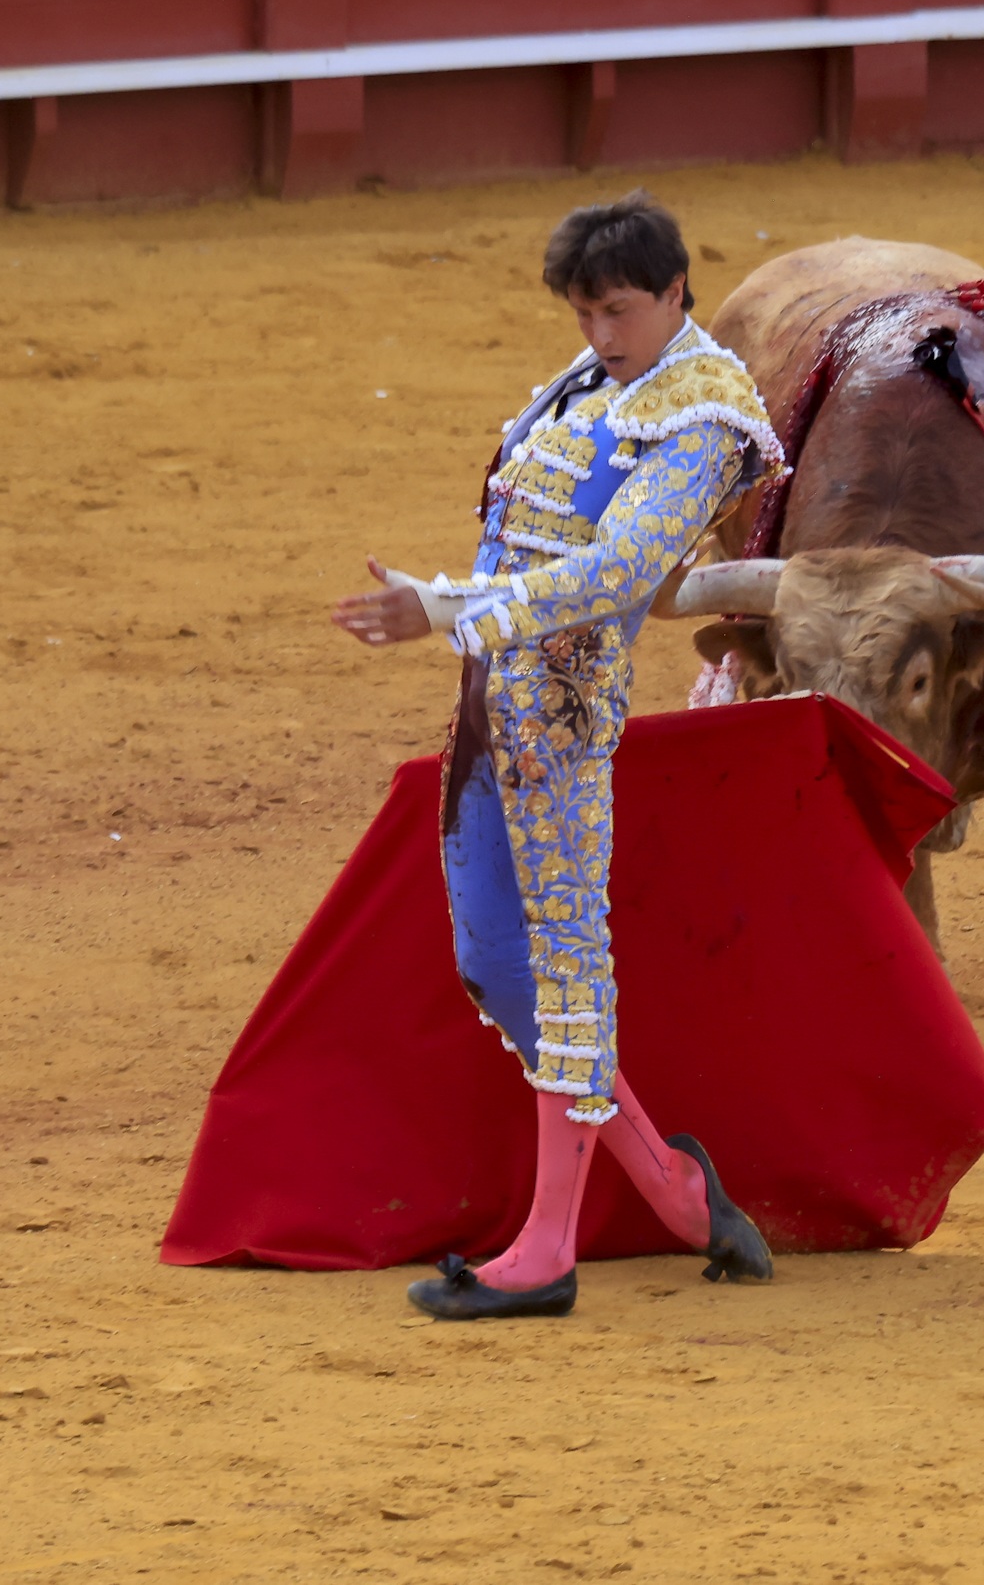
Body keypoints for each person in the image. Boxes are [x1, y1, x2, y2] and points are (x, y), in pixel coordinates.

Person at [330, 192, 781, 1320]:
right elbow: (524, 527)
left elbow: (619, 572)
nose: (597, 335)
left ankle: (545, 1249)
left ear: (677, 291)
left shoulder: (709, 418)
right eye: (584, 314)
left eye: (617, 312)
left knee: (570, 962)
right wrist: (458, 622)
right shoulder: (593, 378)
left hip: (566, 723)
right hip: (493, 697)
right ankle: (677, 1194)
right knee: (497, 961)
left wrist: (443, 610)